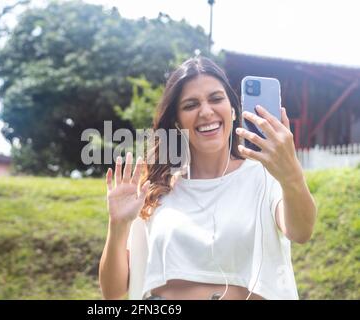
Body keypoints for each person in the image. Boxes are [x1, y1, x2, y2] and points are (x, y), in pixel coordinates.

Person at [98, 56, 317, 300]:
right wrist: (117, 226)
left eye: (216, 99)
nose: (206, 112)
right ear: (177, 121)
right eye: (190, 105)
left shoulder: (264, 176)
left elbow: (301, 231)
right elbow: (113, 293)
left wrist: (291, 176)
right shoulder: (155, 190)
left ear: (233, 110)